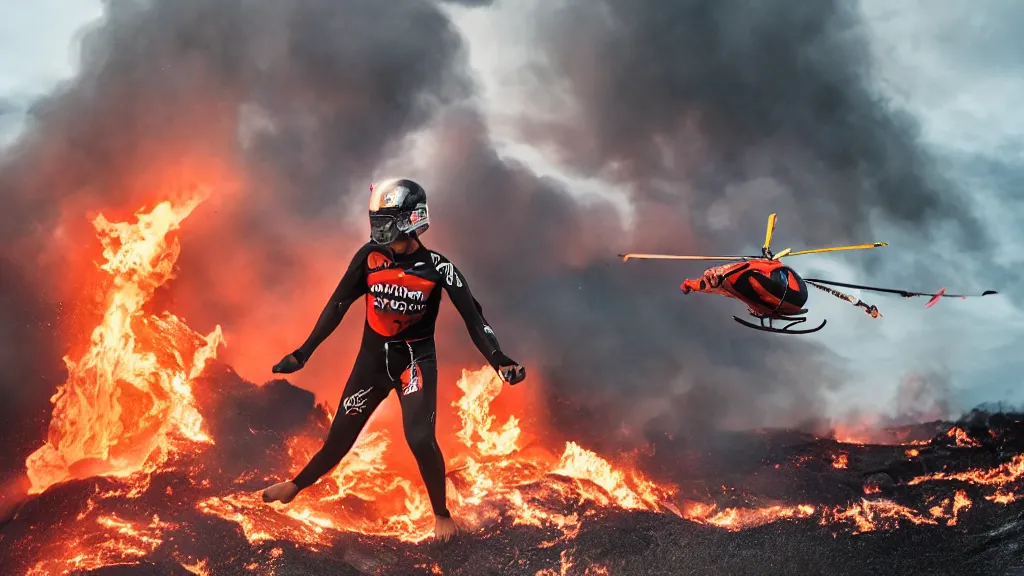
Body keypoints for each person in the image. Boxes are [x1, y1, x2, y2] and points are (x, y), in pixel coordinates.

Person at [260, 178, 526, 543]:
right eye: (375, 220)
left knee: (419, 438)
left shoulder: (438, 268)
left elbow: (475, 320)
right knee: (338, 439)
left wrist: (500, 360)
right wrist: (302, 353)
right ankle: (295, 485)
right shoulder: (368, 257)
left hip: (414, 363)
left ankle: (441, 514)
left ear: (411, 220)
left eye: (386, 221)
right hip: (371, 362)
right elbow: (337, 305)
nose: (377, 229)